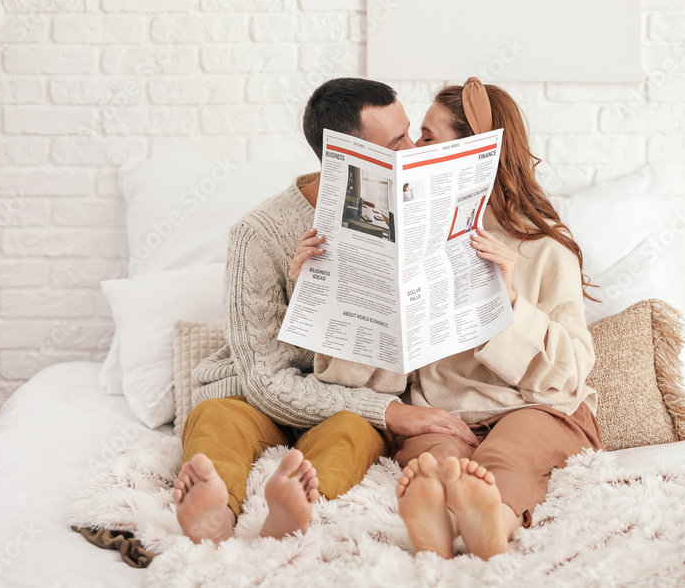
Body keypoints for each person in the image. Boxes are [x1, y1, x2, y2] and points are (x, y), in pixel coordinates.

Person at [173, 78, 480, 545]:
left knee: (352, 435)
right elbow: (265, 381)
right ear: (349, 159)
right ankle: (214, 512)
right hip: (254, 399)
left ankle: (294, 510)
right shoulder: (258, 235)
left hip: (346, 399)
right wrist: (310, 294)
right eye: (397, 143)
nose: (415, 149)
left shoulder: (416, 214)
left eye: (409, 133)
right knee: (216, 420)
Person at [307, 77, 603, 560]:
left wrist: (505, 298)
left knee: (503, 457)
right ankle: (437, 523)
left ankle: (493, 523)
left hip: (537, 408)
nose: (412, 150)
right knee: (436, 462)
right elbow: (365, 380)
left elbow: (570, 371)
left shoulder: (546, 249)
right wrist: (332, 285)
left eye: (427, 137)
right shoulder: (408, 241)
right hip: (447, 411)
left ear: (471, 155)